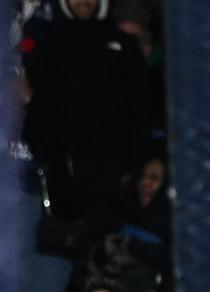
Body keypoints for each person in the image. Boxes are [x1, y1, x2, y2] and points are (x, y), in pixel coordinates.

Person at [23, 0, 150, 254]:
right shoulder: (50, 44)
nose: (83, 2)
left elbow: (141, 110)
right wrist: (49, 157)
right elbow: (39, 108)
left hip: (112, 173)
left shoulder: (123, 46)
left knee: (108, 250)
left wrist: (131, 167)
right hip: (63, 174)